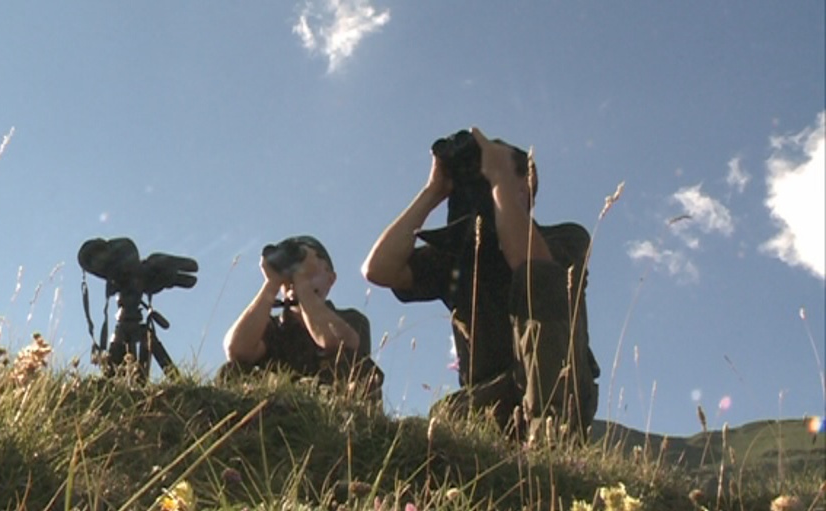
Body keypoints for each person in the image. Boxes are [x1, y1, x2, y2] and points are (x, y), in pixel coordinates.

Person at [362, 127, 599, 441]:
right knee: (442, 419)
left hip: (561, 389)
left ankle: (550, 444)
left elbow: (530, 268)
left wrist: (499, 180)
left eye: (489, 176)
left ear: (526, 186)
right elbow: (379, 269)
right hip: (489, 398)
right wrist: (433, 191)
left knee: (541, 276)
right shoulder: (463, 256)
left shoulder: (565, 237)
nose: (483, 184)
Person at [221, 235, 383, 403]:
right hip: (276, 408)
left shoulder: (351, 319)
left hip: (334, 409)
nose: (294, 270)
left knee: (361, 372)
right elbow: (236, 349)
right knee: (233, 370)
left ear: (330, 278)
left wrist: (302, 282)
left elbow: (338, 343)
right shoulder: (273, 326)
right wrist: (272, 283)